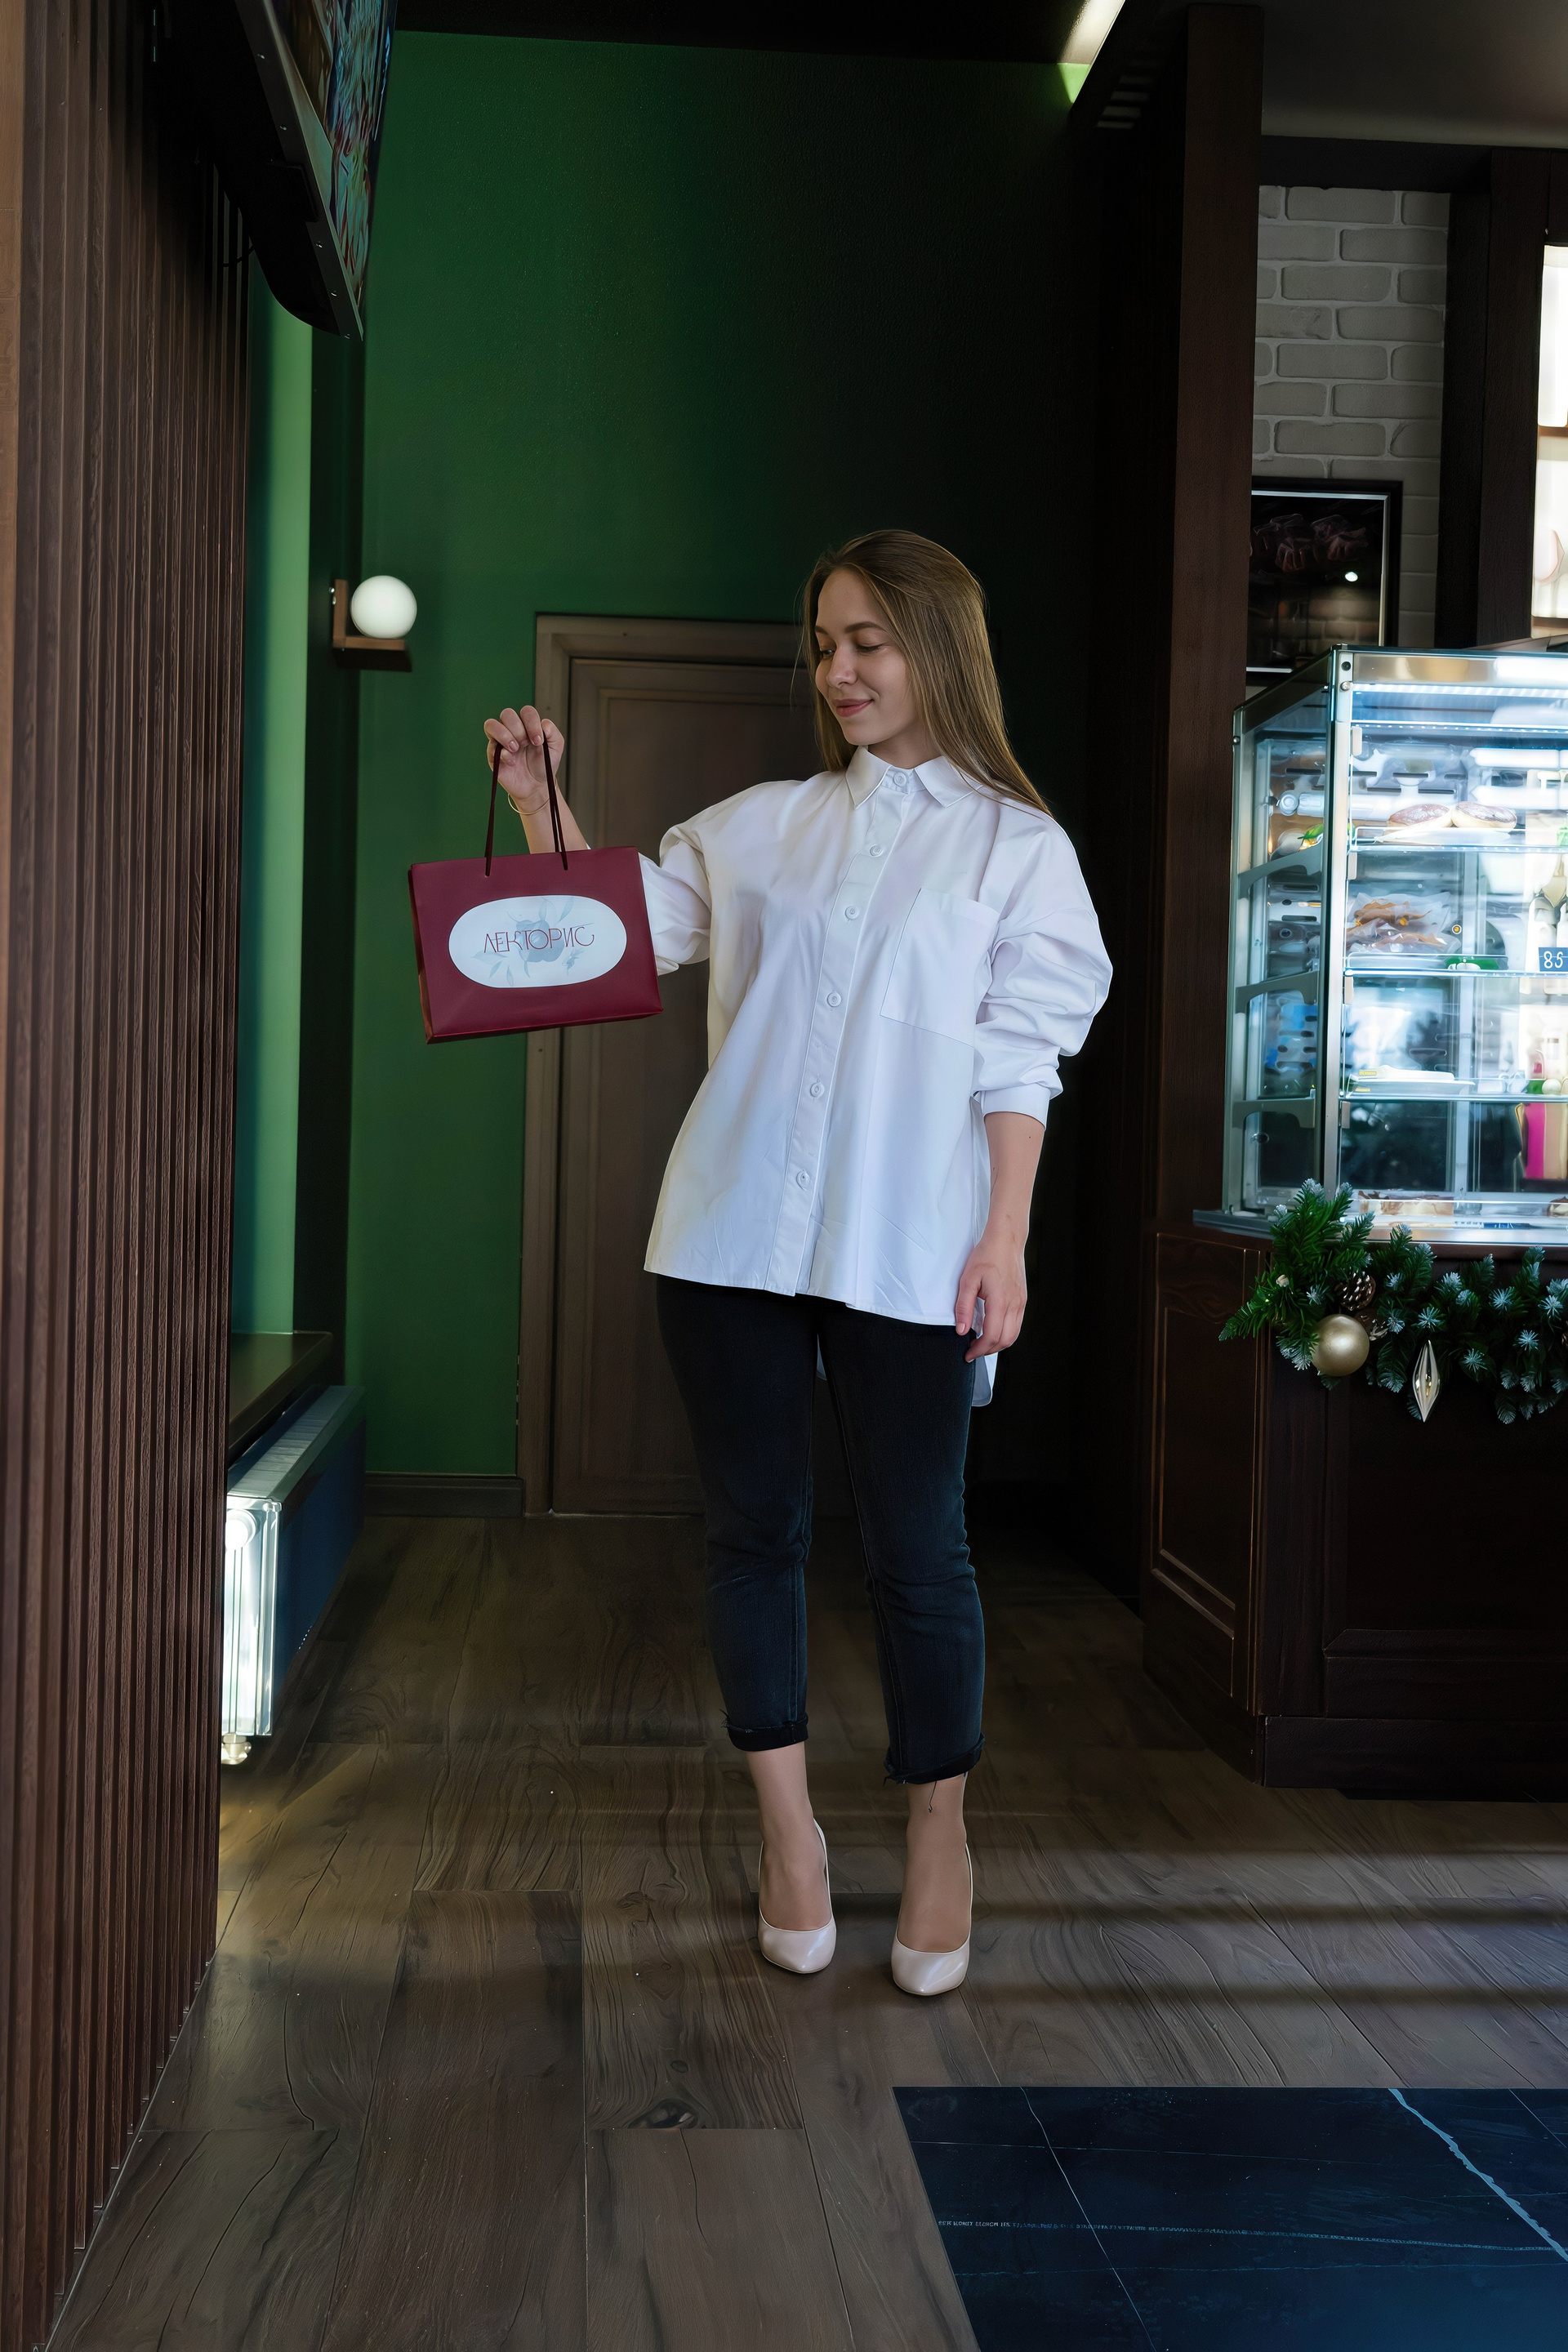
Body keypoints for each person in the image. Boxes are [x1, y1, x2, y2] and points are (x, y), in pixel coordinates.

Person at [484, 530, 1109, 1994]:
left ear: (939, 648)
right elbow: (619, 936)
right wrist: (542, 805)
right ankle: (790, 1838)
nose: (839, 669)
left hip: (915, 1248)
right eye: (825, 643)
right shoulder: (759, 827)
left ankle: (941, 1836)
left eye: (869, 642)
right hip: (729, 1235)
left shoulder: (1019, 851)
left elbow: (1022, 1059)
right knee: (753, 1538)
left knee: (921, 1554)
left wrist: (1005, 1237)